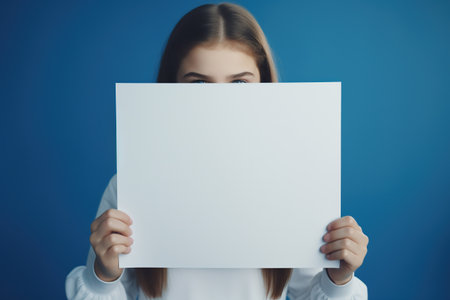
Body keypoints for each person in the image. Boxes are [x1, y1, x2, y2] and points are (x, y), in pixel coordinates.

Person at [65, 3, 369, 299]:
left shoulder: (293, 188)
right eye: (198, 84)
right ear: (170, 87)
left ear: (264, 85)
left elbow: (311, 295)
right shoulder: (128, 188)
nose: (219, 105)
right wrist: (104, 275)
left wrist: (338, 279)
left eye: (239, 84)